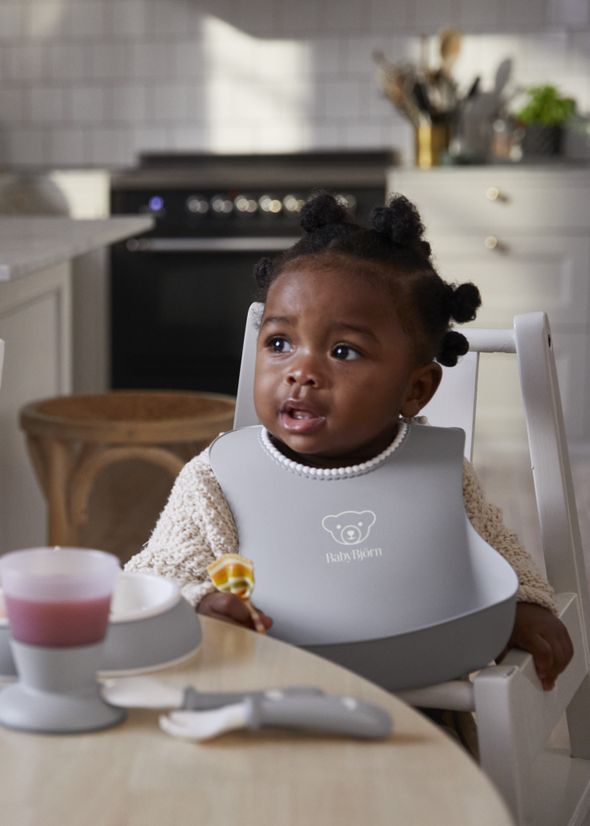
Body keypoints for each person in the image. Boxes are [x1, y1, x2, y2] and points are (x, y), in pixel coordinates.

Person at [126, 191, 573, 694]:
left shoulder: (437, 472)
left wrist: (525, 607)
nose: (301, 371)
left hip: (419, 708)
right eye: (279, 343)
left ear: (415, 389)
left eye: (343, 351)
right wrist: (202, 604)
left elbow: (497, 558)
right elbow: (152, 579)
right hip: (265, 702)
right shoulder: (219, 478)